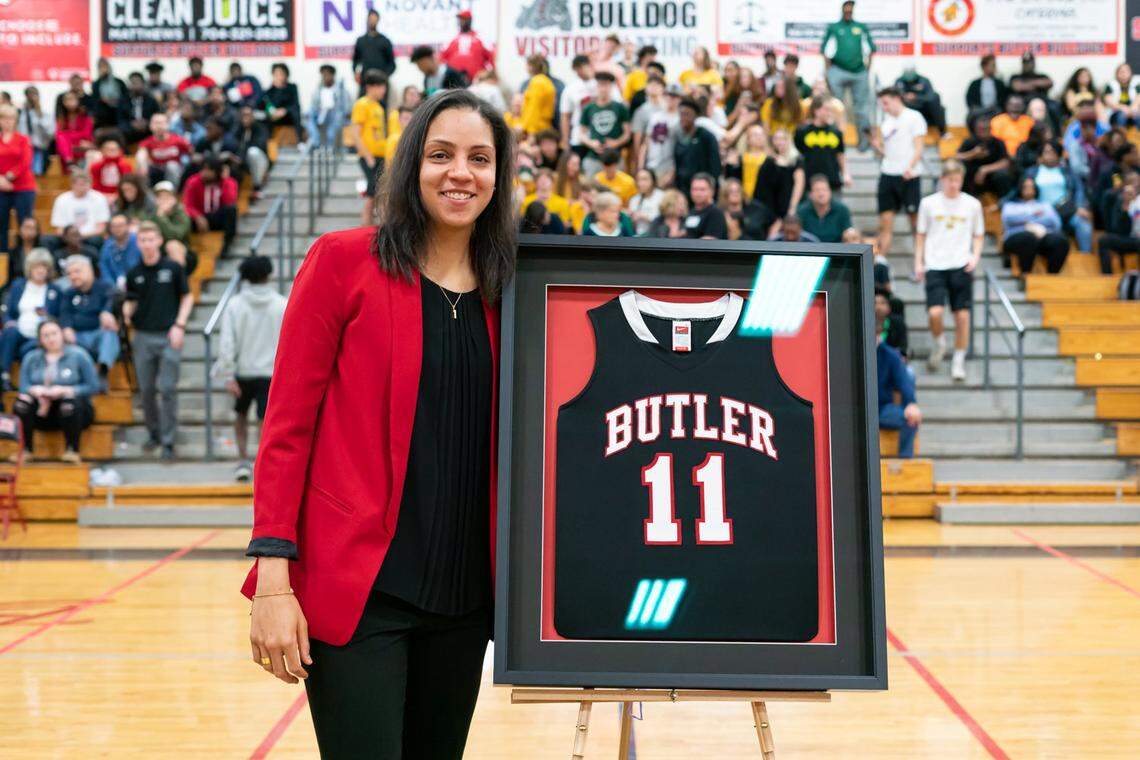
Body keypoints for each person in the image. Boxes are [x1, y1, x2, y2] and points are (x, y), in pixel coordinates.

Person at [241, 87, 515, 758]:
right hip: (360, 593)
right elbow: (286, 428)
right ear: (411, 164)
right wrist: (273, 579)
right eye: (440, 155)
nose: (460, 173)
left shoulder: (514, 290)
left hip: (465, 602)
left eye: (479, 158)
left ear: (499, 176)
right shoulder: (343, 261)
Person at [210, 255, 286, 482]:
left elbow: (227, 343)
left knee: (241, 416)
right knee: (266, 420)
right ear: (269, 274)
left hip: (243, 372)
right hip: (271, 373)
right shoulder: (282, 304)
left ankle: (243, 461)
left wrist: (227, 374)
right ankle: (265, 463)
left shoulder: (235, 305)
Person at [123, 222, 191, 461]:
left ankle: (168, 440)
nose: (147, 244)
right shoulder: (134, 272)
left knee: (168, 388)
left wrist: (180, 325)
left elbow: (187, 297)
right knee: (147, 390)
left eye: (151, 239)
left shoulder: (172, 268)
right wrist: (126, 311)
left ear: (159, 241)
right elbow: (131, 299)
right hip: (142, 335)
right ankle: (154, 432)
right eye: (143, 240)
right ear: (138, 243)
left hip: (168, 334)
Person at [914, 160, 983, 381]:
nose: (954, 184)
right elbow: (921, 234)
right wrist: (918, 262)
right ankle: (939, 342)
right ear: (942, 179)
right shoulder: (928, 203)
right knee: (934, 312)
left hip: (961, 264)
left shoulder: (972, 204)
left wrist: (975, 256)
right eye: (950, 180)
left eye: (958, 180)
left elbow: (978, 234)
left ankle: (958, 360)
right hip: (935, 264)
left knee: (962, 316)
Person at [11, 319, 98, 464]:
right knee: (21, 404)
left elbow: (93, 386)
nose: (51, 338)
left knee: (69, 403)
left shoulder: (79, 355)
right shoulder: (31, 357)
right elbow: (23, 386)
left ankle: (72, 450)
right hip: (42, 410)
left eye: (54, 333)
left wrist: (66, 390)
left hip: (74, 412)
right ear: (40, 339)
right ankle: (26, 450)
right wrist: (35, 390)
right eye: (46, 335)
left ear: (62, 334)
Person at [873, 88, 926, 261]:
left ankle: (921, 260)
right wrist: (878, 147)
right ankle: (880, 261)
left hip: (909, 175)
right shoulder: (886, 122)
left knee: (915, 222)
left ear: (897, 99)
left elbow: (919, 147)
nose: (884, 107)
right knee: (885, 222)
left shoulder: (914, 117)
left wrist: (910, 167)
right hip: (888, 173)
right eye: (882, 104)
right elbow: (887, 151)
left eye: (886, 103)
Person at [0, 248, 61, 390]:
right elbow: (8, 312)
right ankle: (4, 376)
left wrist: (46, 316)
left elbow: (58, 317)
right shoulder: (18, 286)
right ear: (30, 268)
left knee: (28, 349)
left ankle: (26, 384)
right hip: (18, 332)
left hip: (38, 336)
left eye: (44, 267)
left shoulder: (54, 290)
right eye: (36, 267)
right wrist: (8, 322)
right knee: (10, 332)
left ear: (48, 269)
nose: (40, 270)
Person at [1021, 140, 1093, 253]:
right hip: (1041, 213)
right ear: (1040, 155)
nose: (1050, 155)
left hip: (1067, 211)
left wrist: (1080, 206)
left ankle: (1086, 255)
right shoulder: (1032, 172)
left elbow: (1079, 190)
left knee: (1083, 223)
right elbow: (1020, 191)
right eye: (1046, 152)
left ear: (1059, 154)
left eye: (1053, 152)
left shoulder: (1068, 171)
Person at [822, 1, 876, 150]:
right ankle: (835, 143)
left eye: (850, 11)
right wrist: (828, 72)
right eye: (846, 10)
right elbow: (825, 50)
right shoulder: (834, 28)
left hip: (859, 72)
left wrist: (867, 70)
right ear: (842, 10)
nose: (848, 13)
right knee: (835, 107)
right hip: (837, 70)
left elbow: (871, 49)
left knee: (862, 110)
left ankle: (864, 144)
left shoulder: (861, 27)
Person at [60, 255, 119, 378]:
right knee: (63, 338)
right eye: (69, 274)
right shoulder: (68, 293)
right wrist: (66, 327)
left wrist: (106, 311)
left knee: (109, 333)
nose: (73, 276)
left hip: (99, 334)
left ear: (90, 270)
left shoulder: (105, 287)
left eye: (77, 271)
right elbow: (65, 313)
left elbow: (111, 302)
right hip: (78, 336)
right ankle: (76, 375)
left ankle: (103, 370)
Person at [876, 296, 920, 459]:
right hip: (853, 410)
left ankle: (903, 463)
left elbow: (904, 382)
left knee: (911, 418)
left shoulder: (890, 355)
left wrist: (911, 404)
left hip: (881, 409)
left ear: (880, 333)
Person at [1001, 176, 1070, 275]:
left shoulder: (1045, 205)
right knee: (1029, 238)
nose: (1029, 190)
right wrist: (1035, 215)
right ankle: (1026, 274)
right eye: (1025, 187)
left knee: (1060, 241)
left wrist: (1026, 219)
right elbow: (1009, 219)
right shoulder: (1010, 205)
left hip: (1042, 235)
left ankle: (1053, 275)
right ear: (1020, 188)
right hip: (1016, 237)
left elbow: (1055, 222)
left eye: (1031, 187)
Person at [352, 71, 389, 227]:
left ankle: (377, 227)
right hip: (370, 156)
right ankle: (366, 227)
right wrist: (367, 156)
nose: (383, 91)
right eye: (380, 87)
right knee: (372, 193)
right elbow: (356, 133)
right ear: (370, 87)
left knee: (379, 193)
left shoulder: (378, 107)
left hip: (381, 155)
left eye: (384, 87)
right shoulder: (362, 104)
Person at [0, 104, 36, 258]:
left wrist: (9, 176)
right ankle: (2, 258)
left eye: (11, 118)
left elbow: (26, 161)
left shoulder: (23, 139)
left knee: (25, 223)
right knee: (1, 224)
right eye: (4, 118)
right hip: (1, 188)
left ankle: (24, 257)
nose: (7, 121)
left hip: (23, 187)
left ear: (15, 120)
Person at [579, 71, 629, 178]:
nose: (603, 89)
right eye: (601, 85)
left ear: (611, 87)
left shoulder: (620, 107)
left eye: (606, 85)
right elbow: (582, 134)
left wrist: (616, 142)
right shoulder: (589, 108)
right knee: (591, 184)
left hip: (615, 157)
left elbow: (627, 133)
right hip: (594, 157)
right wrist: (591, 143)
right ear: (597, 86)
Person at [795, 96, 850, 193]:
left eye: (831, 110)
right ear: (816, 111)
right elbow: (797, 155)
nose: (829, 113)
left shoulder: (836, 132)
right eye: (826, 109)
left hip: (832, 182)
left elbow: (840, 154)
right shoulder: (802, 132)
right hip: (809, 183)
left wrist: (845, 173)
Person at [183, 158, 238, 254]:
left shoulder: (228, 182)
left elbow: (230, 201)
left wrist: (224, 181)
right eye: (203, 169)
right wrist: (197, 216)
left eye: (209, 170)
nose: (204, 173)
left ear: (216, 171)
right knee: (184, 217)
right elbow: (188, 205)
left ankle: (227, 245)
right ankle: (188, 247)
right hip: (199, 217)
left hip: (217, 217)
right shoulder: (193, 181)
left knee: (231, 210)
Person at [754, 128, 805, 230]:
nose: (779, 142)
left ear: (789, 140)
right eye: (776, 139)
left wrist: (792, 208)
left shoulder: (796, 159)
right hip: (770, 207)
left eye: (783, 139)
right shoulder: (769, 160)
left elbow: (799, 185)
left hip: (787, 205)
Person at [955, 115, 1013, 199]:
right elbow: (957, 157)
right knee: (961, 172)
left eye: (986, 129)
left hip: (991, 175)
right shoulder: (969, 141)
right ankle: (966, 200)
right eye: (981, 129)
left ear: (990, 129)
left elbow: (1006, 162)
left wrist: (984, 169)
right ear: (976, 129)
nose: (984, 131)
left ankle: (1004, 201)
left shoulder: (998, 142)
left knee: (1003, 175)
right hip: (971, 177)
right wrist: (973, 153)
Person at [674, 98, 721, 200]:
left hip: (702, 191)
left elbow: (715, 166)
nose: (683, 118)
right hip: (683, 190)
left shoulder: (706, 137)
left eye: (687, 114)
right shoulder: (678, 137)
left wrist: (712, 191)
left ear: (695, 115)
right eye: (681, 114)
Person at [135, 112, 193, 188]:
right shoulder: (147, 142)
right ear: (150, 126)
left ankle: (173, 192)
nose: (159, 126)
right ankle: (148, 193)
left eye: (162, 123)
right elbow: (141, 154)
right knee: (141, 161)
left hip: (174, 173)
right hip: (156, 172)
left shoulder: (178, 140)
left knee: (172, 166)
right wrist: (142, 164)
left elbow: (192, 152)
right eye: (156, 123)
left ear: (168, 124)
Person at [641, 84, 682, 188]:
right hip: (651, 164)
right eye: (668, 95)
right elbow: (646, 142)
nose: (670, 98)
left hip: (668, 166)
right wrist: (641, 166)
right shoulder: (655, 116)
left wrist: (672, 172)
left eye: (674, 96)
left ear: (680, 99)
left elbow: (680, 150)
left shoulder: (680, 119)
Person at [441, 10, 495, 84]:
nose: (461, 21)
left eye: (464, 19)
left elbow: (491, 58)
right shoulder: (451, 38)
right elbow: (442, 58)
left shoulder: (481, 37)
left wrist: (487, 73)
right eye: (460, 19)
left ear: (470, 20)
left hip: (476, 82)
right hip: (454, 83)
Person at [50, 171, 110, 239]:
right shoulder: (62, 199)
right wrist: (70, 238)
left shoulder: (99, 198)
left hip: (91, 236)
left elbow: (101, 228)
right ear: (72, 185)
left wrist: (80, 236)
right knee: (50, 239)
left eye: (85, 183)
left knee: (96, 239)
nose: (82, 187)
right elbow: (59, 228)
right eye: (80, 184)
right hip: (68, 237)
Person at [1098, 181, 1140, 274]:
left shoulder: (1138, 204)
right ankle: (1107, 275)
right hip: (1127, 238)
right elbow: (1117, 229)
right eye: (1125, 193)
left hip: (1138, 238)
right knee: (1104, 241)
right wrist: (1125, 211)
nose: (1127, 196)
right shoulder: (1119, 205)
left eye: (1130, 193)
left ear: (1135, 194)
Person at [352, 9, 397, 97]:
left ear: (378, 20)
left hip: (381, 84)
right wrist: (356, 72)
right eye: (371, 19)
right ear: (367, 20)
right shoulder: (360, 41)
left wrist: (384, 77)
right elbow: (356, 61)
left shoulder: (385, 41)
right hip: (365, 83)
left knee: (380, 105)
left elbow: (392, 64)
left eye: (374, 19)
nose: (372, 21)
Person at [308, 65, 351, 150]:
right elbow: (314, 105)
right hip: (321, 114)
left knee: (337, 116)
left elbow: (347, 108)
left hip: (335, 115)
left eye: (327, 75)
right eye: (323, 75)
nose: (325, 77)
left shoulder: (341, 90)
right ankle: (316, 142)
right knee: (310, 115)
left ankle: (329, 145)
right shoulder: (318, 90)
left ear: (333, 75)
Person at [798, 175, 852, 243]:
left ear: (830, 192)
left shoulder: (842, 210)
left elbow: (848, 232)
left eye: (824, 190)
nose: (821, 194)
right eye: (817, 190)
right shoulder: (802, 211)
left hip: (836, 248)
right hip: (809, 248)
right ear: (810, 194)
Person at [140, 181, 193, 250]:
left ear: (174, 198)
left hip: (181, 250)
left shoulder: (182, 212)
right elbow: (145, 227)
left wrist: (161, 217)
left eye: (167, 196)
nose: (163, 200)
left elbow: (175, 236)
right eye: (160, 197)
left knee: (172, 245)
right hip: (158, 250)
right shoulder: (153, 211)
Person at [895, 68, 945, 137]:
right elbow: (895, 96)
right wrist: (905, 97)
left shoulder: (924, 80)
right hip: (908, 107)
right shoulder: (899, 81)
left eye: (910, 72)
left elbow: (930, 96)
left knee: (936, 97)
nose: (908, 74)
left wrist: (916, 97)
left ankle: (942, 132)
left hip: (923, 106)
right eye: (906, 72)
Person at [17, 87, 54, 176]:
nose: (31, 97)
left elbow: (50, 132)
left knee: (37, 172)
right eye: (29, 95)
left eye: (34, 94)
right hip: (24, 147)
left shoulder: (45, 112)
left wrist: (39, 114)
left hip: (40, 147)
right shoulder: (22, 112)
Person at [54, 91, 94, 173]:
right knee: (61, 138)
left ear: (78, 101)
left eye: (72, 99)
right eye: (67, 100)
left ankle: (69, 162)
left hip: (81, 145)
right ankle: (69, 161)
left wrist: (68, 136)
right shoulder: (61, 118)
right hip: (68, 149)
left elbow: (86, 134)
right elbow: (58, 134)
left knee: (63, 137)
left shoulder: (85, 116)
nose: (69, 102)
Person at [99, 214, 141, 290]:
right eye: (114, 226)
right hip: (115, 289)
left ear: (128, 226)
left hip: (137, 285)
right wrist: (113, 288)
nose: (117, 229)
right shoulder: (107, 247)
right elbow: (104, 270)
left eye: (120, 225)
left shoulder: (138, 242)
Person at [118, 72, 160, 145]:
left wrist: (147, 123)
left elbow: (157, 115)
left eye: (138, 83)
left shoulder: (151, 100)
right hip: (130, 130)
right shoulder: (123, 101)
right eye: (133, 83)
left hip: (147, 129)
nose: (136, 86)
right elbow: (120, 119)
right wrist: (132, 124)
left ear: (143, 84)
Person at [521, 54, 557, 138]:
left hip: (537, 130)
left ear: (531, 67)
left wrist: (532, 133)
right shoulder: (546, 81)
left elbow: (534, 109)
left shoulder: (537, 82)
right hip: (544, 127)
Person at [88, 133, 134, 199]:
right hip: (101, 195)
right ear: (103, 151)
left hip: (120, 195)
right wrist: (101, 196)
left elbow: (127, 184)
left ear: (119, 150)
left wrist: (117, 196)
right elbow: (95, 183)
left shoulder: (125, 166)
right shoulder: (96, 166)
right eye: (109, 150)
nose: (112, 152)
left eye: (114, 150)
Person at [683, 173, 728, 239]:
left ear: (712, 191)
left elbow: (710, 241)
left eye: (702, 189)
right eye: (694, 189)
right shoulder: (690, 212)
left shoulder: (715, 213)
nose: (698, 193)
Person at [263, 63, 303, 139]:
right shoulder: (270, 91)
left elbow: (295, 104)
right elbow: (269, 106)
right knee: (265, 118)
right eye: (276, 74)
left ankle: (299, 140)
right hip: (276, 117)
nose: (279, 77)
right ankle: (268, 142)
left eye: (281, 74)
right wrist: (274, 113)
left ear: (286, 75)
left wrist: (285, 110)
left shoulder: (292, 87)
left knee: (295, 112)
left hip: (289, 116)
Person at [966, 55, 1008, 122]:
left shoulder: (999, 83)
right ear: (984, 67)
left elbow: (1003, 99)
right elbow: (970, 100)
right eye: (993, 65)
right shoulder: (975, 84)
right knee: (972, 114)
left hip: (994, 111)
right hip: (979, 111)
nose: (995, 68)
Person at [91, 58, 127, 130]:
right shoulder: (96, 84)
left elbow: (126, 97)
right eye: (101, 67)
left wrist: (116, 101)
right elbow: (95, 100)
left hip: (118, 112)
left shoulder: (119, 82)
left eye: (105, 66)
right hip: (104, 114)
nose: (103, 69)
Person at [1103, 62, 1140, 128]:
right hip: (1117, 111)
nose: (1124, 74)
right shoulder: (1110, 85)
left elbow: (1138, 97)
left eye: (1126, 71)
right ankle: (1120, 134)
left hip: (1133, 110)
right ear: (1117, 74)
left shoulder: (1136, 83)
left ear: (1130, 73)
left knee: (1138, 115)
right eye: (1121, 72)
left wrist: (1132, 108)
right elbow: (1109, 101)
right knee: (1121, 115)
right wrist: (1123, 108)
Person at [628, 168, 664, 236]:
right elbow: (632, 225)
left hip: (658, 236)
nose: (640, 183)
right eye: (638, 180)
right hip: (639, 236)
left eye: (644, 179)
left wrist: (644, 217)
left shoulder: (662, 196)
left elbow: (664, 222)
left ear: (653, 180)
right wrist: (630, 218)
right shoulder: (634, 200)